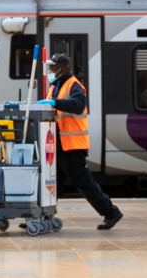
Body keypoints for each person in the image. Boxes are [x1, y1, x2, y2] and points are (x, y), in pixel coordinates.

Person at [45, 52, 121, 230]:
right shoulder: (55, 86)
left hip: (72, 147)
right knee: (51, 184)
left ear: (62, 69)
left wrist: (55, 103)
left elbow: (78, 105)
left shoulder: (74, 85)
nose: (49, 70)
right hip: (59, 146)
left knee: (84, 183)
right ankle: (44, 216)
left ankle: (111, 212)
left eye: (52, 67)